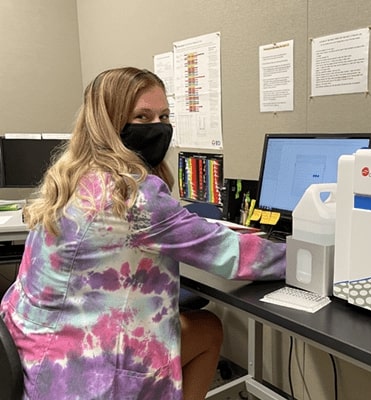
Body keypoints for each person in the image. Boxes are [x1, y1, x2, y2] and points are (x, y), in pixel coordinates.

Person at [0, 67, 286, 400]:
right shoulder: (132, 194)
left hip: (33, 353)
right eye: (142, 117)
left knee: (200, 326)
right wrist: (314, 258)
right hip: (81, 375)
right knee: (208, 329)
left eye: (164, 115)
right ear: (109, 122)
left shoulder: (69, 178)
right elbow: (234, 256)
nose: (158, 127)